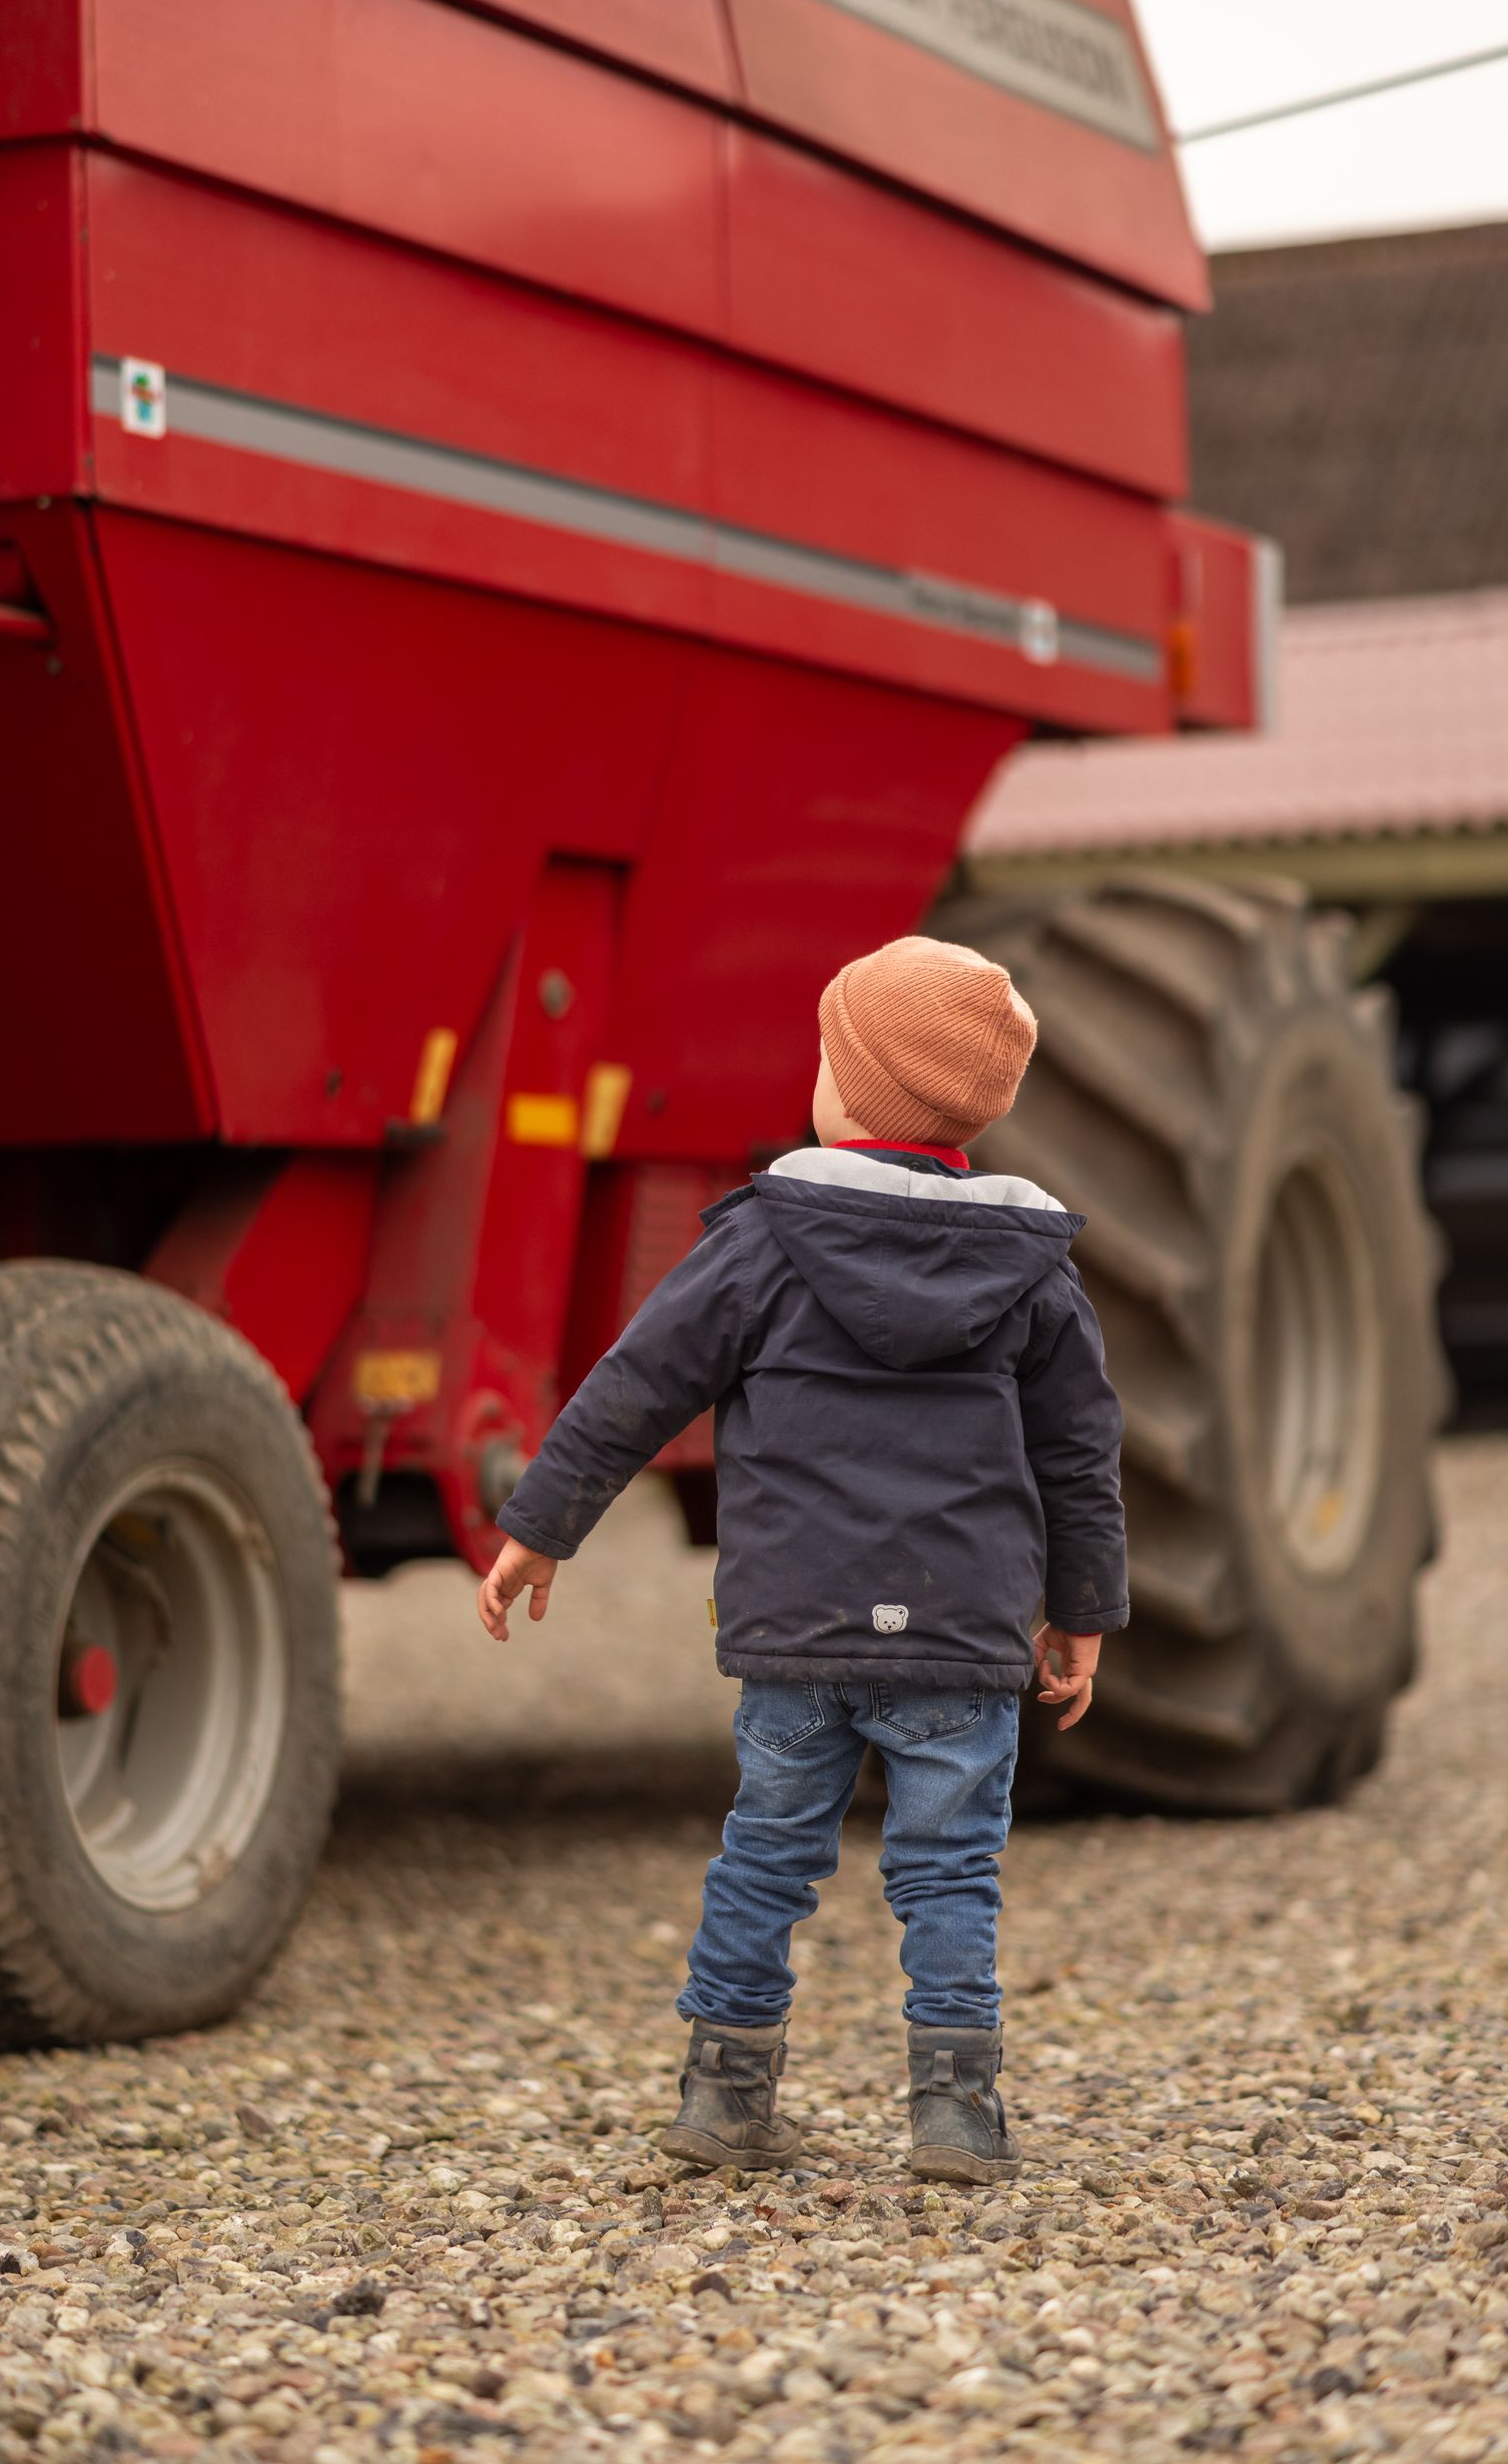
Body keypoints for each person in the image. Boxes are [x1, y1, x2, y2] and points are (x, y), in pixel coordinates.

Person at [476, 934, 1128, 2182]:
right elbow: (1079, 1452)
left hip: (798, 1627)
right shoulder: (1032, 1269)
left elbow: (639, 1383)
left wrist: (542, 1525)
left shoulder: (764, 1240)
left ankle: (723, 2100)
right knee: (948, 1870)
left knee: (768, 1852)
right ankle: (956, 2117)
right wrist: (1082, 1606)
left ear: (854, 1092)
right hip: (959, 1632)